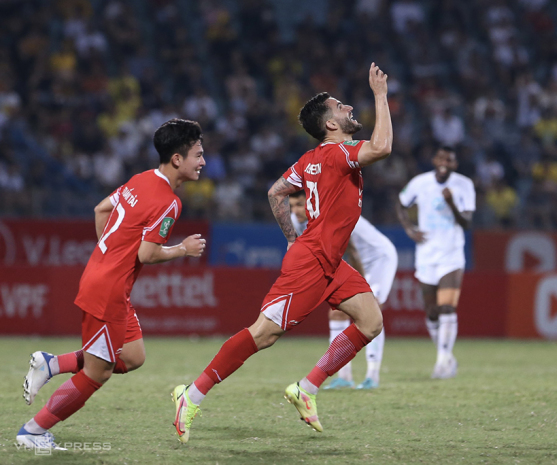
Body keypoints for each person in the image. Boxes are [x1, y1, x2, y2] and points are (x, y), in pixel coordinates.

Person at [171, 63, 392, 443]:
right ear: (330, 125)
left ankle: (307, 388)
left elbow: (275, 191)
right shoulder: (340, 154)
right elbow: (383, 146)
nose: (349, 109)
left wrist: (291, 237)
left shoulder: (308, 161)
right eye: (341, 107)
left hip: (327, 260)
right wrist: (381, 95)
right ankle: (190, 395)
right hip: (312, 262)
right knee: (263, 334)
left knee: (370, 321)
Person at [16, 119, 207, 450]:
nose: (203, 161)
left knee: (133, 356)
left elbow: (101, 208)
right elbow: (147, 254)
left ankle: (52, 363)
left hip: (105, 280)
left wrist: (111, 254)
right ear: (177, 159)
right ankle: (33, 432)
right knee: (96, 374)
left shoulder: (141, 179)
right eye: (198, 154)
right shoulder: (169, 202)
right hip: (108, 291)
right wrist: (182, 250)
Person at [289, 190, 398, 389]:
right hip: (349, 261)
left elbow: (352, 250)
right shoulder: (296, 221)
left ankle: (372, 375)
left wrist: (361, 290)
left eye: (299, 204)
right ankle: (345, 376)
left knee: (371, 312)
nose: (295, 210)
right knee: (336, 314)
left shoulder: (330, 215)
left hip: (379, 258)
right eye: (292, 205)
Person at [396, 147, 475, 379]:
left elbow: (467, 223)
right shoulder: (420, 183)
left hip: (451, 253)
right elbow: (401, 204)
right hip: (427, 253)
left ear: (455, 164)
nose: (444, 163)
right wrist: (409, 229)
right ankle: (448, 357)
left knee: (447, 307)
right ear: (434, 160)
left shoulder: (464, 185)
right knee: (431, 311)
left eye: (449, 160)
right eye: (440, 158)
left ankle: (442, 362)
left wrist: (451, 204)